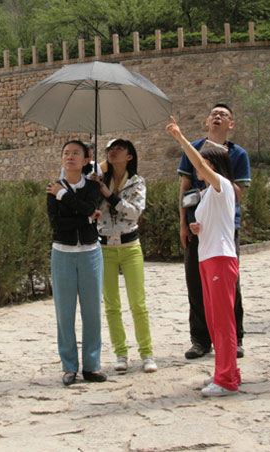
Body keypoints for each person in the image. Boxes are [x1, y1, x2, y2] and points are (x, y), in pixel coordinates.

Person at [167, 116, 241, 396]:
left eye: (204, 165)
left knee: (223, 322)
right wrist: (199, 227)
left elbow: (196, 163)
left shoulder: (222, 184)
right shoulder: (210, 193)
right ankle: (228, 371)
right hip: (208, 257)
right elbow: (215, 223)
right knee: (214, 321)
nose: (200, 169)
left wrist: (181, 138)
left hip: (220, 258)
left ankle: (226, 380)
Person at [177, 104, 250, 360]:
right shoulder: (194, 148)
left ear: (231, 124)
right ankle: (200, 339)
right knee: (196, 282)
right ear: (207, 120)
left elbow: (239, 193)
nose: (217, 117)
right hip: (198, 223)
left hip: (224, 229)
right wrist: (184, 223)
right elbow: (185, 187)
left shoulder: (237, 154)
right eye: (214, 113)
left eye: (224, 115)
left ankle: (234, 338)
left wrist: (217, 182)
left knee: (229, 286)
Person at [47, 139, 106, 386]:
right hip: (63, 254)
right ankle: (69, 366)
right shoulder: (52, 188)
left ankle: (91, 365)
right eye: (66, 153)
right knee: (65, 312)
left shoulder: (93, 187)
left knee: (92, 311)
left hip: (91, 253)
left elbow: (90, 206)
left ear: (85, 160)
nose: (70, 157)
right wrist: (86, 218)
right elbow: (57, 224)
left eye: (76, 153)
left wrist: (66, 198)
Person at [96, 138, 156, 374]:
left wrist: (109, 196)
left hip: (130, 247)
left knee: (138, 304)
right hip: (104, 249)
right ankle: (120, 353)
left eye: (119, 149)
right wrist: (97, 178)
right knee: (111, 306)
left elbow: (134, 213)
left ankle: (147, 353)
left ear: (129, 156)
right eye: (110, 149)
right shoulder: (98, 180)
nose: (113, 152)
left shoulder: (137, 182)